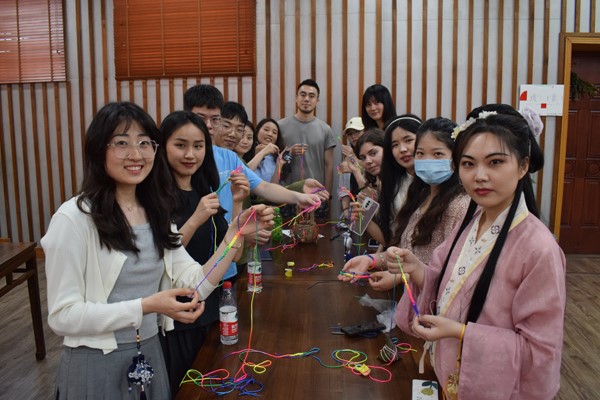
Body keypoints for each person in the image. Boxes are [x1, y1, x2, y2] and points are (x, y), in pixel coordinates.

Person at [41, 102, 273, 399]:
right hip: (96, 363)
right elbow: (63, 316)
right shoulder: (74, 217)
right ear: (99, 149)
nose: (136, 154)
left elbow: (197, 284)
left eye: (144, 143)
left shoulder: (156, 213)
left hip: (149, 354)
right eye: (121, 143)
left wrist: (234, 234)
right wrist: (146, 306)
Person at [345, 111, 566, 399]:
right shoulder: (472, 221)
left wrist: (461, 332)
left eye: (495, 162)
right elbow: (445, 281)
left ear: (523, 166)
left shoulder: (539, 248)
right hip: (452, 373)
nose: (480, 176)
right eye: (468, 164)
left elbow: (540, 353)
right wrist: (415, 267)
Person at [183, 86, 327, 281]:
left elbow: (264, 187)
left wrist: (299, 196)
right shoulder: (184, 161)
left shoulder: (228, 157)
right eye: (201, 118)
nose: (208, 125)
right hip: (190, 265)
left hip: (229, 258)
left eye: (215, 119)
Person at [157, 110, 249, 394]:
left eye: (198, 146)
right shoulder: (156, 199)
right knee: (184, 391)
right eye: (180, 145)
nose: (190, 154)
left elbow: (233, 255)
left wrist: (237, 204)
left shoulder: (204, 191)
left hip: (213, 313)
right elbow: (161, 258)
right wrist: (195, 219)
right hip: (179, 320)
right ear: (163, 147)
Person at [343, 117, 470, 292]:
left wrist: (402, 276)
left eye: (437, 154)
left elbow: (454, 273)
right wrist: (372, 260)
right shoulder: (418, 195)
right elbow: (403, 248)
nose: (403, 149)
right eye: (421, 153)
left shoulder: (459, 205)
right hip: (412, 297)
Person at [278, 78, 336, 218]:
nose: (306, 99)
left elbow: (329, 165)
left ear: (317, 101)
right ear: (296, 98)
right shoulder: (280, 126)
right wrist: (289, 153)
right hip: (287, 194)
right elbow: (276, 161)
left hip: (316, 195)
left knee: (318, 231)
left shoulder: (325, 129)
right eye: (302, 95)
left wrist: (326, 195)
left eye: (311, 96)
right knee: (286, 231)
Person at [369, 114, 422, 245]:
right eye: (395, 145)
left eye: (408, 140)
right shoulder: (392, 182)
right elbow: (391, 237)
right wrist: (364, 217)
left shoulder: (434, 183)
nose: (402, 149)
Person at [242, 118, 291, 183]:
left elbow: (273, 186)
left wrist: (279, 165)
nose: (270, 134)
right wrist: (260, 154)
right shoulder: (245, 149)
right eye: (266, 130)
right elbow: (242, 174)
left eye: (274, 132)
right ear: (257, 131)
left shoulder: (278, 156)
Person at [337, 117, 366, 217]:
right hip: (353, 209)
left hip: (371, 206)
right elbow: (343, 189)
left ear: (365, 132)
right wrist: (346, 210)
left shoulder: (372, 154)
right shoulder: (347, 159)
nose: (353, 136)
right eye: (350, 134)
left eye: (357, 132)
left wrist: (354, 158)